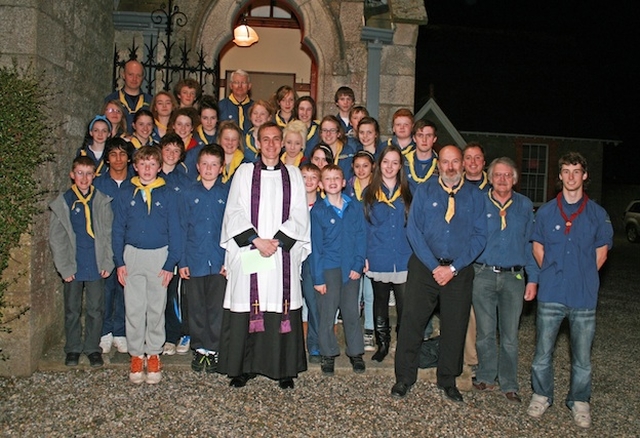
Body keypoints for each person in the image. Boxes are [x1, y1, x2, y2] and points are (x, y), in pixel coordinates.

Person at [218, 121, 311, 389]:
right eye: (265, 139)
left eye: (275, 139)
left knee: (278, 304)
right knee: (249, 304)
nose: (270, 144)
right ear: (257, 143)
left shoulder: (293, 175)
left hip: (282, 253)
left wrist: (277, 242)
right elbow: (234, 211)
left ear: (282, 143)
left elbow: (300, 214)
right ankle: (242, 368)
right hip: (251, 249)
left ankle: (283, 370)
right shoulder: (244, 173)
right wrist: (257, 241)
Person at [391, 145, 487, 402]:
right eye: (445, 162)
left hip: (459, 270)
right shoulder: (424, 191)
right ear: (438, 165)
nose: (451, 167)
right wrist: (435, 267)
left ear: (463, 165)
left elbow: (480, 237)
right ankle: (404, 378)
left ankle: (448, 379)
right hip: (425, 267)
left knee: (455, 326)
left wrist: (453, 268)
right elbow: (414, 231)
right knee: (411, 322)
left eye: (455, 161)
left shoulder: (475, 197)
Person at [526, 152, 613, 429]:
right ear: (560, 176)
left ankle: (579, 400)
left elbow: (601, 255)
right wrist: (553, 274)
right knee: (542, 352)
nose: (571, 176)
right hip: (551, 293)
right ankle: (541, 394)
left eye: (577, 171)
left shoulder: (598, 214)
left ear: (585, 176)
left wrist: (579, 276)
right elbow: (538, 248)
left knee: (582, 356)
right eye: (566, 171)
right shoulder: (547, 211)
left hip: (583, 296)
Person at [112, 146, 183, 384]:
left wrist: (170, 262)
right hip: (132, 254)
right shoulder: (126, 194)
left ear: (159, 167)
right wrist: (119, 262)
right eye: (143, 164)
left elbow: (176, 230)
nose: (147, 169)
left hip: (158, 256)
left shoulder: (168, 194)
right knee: (133, 307)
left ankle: (153, 352)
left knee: (155, 307)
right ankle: (136, 354)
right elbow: (117, 229)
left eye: (152, 164)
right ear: (135, 166)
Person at [471, 157, 539, 404]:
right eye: (497, 175)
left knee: (510, 334)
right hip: (484, 274)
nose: (502, 179)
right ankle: (487, 376)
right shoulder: (478, 202)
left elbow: (529, 243)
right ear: (490, 177)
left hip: (514, 277)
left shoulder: (524, 205)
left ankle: (509, 383)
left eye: (507, 175)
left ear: (515, 179)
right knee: (485, 332)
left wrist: (533, 279)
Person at [49, 156, 114, 368]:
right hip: (73, 263)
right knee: (72, 308)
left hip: (95, 262)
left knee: (96, 308)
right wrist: (64, 267)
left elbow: (108, 234)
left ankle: (93, 347)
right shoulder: (64, 202)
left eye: (88, 173)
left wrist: (107, 261)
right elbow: (57, 238)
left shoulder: (101, 201)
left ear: (94, 175)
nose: (84, 178)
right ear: (72, 175)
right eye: (79, 173)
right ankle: (73, 347)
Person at [311, 164, 366, 375]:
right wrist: (318, 277)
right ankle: (328, 352)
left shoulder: (355, 206)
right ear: (321, 185)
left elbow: (361, 236)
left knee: (351, 311)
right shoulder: (318, 210)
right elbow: (316, 246)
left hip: (351, 268)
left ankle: (355, 353)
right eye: (328, 178)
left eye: (337, 178)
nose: (332, 181)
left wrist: (358, 264)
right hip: (329, 268)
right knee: (327, 312)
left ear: (344, 183)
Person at [179, 145, 229, 373]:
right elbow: (181, 229)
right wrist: (182, 261)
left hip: (218, 260)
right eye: (205, 164)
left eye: (214, 164)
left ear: (221, 168)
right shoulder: (188, 194)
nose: (209, 169)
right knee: (196, 306)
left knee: (217, 306)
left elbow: (232, 229)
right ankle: (200, 349)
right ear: (198, 166)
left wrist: (229, 261)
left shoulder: (227, 194)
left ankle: (214, 348)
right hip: (195, 259)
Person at [362, 145, 413, 363]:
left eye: (394, 162)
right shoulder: (370, 192)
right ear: (378, 165)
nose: (389, 166)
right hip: (378, 255)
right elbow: (364, 227)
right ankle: (382, 344)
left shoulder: (410, 192)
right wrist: (363, 255)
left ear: (400, 166)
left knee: (405, 305)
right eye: (385, 162)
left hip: (404, 257)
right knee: (379, 303)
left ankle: (403, 344)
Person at [94, 138, 135, 355]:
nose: (118, 159)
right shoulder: (98, 184)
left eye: (122, 154)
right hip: (104, 246)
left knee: (124, 290)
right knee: (105, 291)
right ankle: (105, 332)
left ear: (129, 157)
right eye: (113, 154)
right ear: (107, 159)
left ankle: (121, 331)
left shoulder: (136, 182)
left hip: (129, 245)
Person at [461, 141, 489, 376]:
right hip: (462, 258)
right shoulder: (454, 187)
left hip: (486, 259)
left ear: (484, 162)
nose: (472, 162)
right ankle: (470, 360)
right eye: (468, 158)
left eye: (477, 158)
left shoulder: (494, 188)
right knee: (467, 311)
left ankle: (487, 360)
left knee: (484, 314)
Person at [345, 151, 376, 352]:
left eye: (365, 165)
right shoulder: (346, 189)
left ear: (372, 167)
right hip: (353, 245)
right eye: (357, 166)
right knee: (354, 292)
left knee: (370, 292)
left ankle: (369, 330)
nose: (361, 170)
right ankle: (353, 329)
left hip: (373, 245)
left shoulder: (379, 188)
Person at [299, 163, 322, 363]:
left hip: (313, 260)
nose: (308, 181)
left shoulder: (324, 206)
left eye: (313, 177)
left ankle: (314, 343)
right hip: (291, 257)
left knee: (314, 304)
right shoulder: (289, 203)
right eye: (304, 176)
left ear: (319, 182)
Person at [104, 59, 153, 131]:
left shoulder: (150, 101)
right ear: (123, 75)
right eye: (130, 74)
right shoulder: (111, 100)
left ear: (142, 78)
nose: (134, 79)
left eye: (138, 75)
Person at [404, 119, 438, 194]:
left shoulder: (441, 165)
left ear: (434, 139)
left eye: (428, 136)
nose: (424, 140)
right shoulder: (402, 162)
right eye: (420, 135)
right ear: (414, 138)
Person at [319, 115, 356, 180]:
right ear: (321, 133)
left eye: (332, 130)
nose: (328, 134)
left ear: (339, 133)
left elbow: (348, 179)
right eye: (325, 130)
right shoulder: (317, 152)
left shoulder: (348, 153)